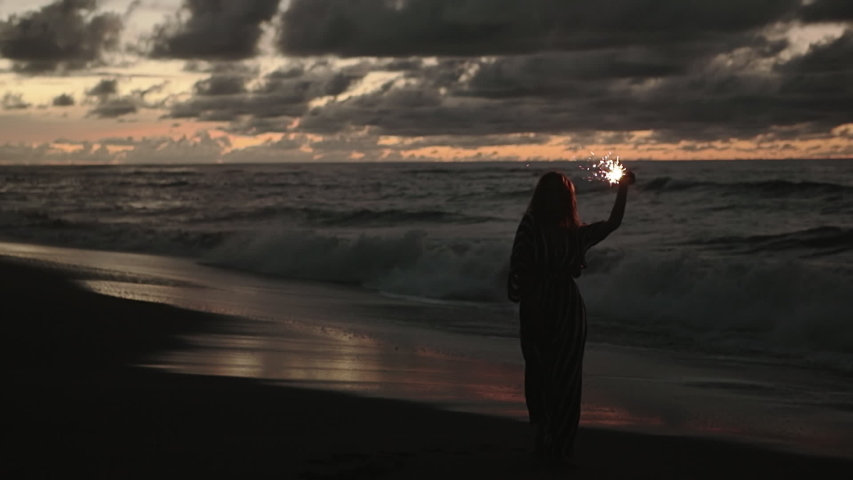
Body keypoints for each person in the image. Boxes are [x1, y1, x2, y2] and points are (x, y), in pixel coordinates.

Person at [507, 168, 635, 464]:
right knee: (540, 376)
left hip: (568, 311)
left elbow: (613, 223)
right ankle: (544, 437)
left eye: (560, 193)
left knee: (567, 379)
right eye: (550, 192)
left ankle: (561, 447)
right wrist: (532, 306)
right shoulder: (530, 226)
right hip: (537, 306)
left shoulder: (573, 234)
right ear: (542, 197)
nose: (555, 198)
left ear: (567, 198)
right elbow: (520, 268)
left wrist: (623, 188)